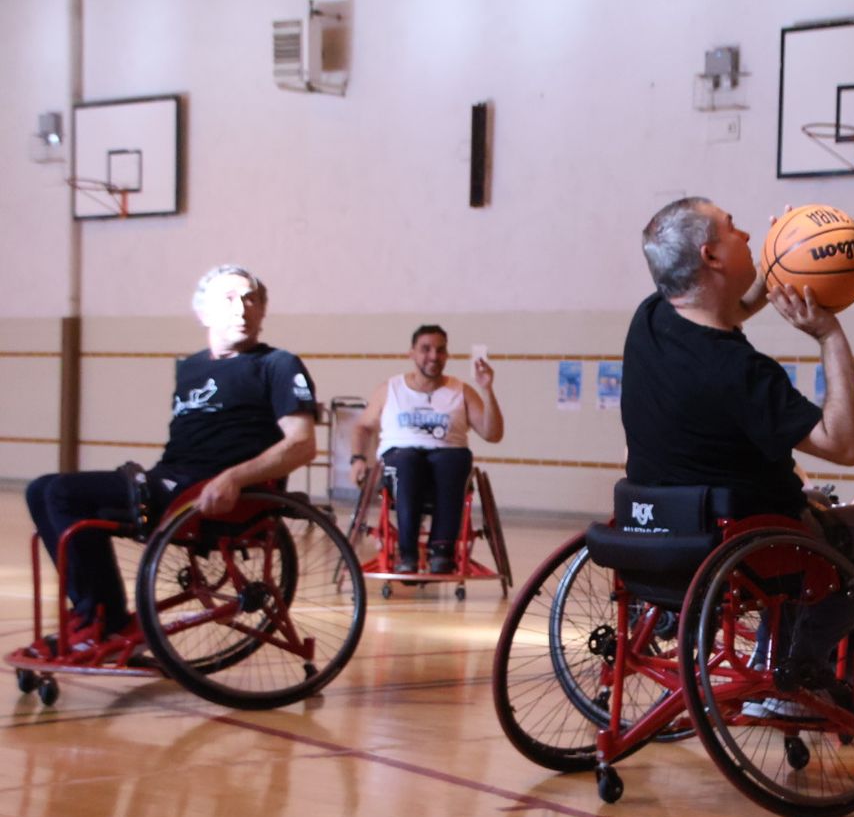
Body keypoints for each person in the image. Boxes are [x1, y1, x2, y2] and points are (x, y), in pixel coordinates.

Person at [623, 196, 854, 712]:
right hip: (749, 543)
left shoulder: (650, 319)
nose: (748, 237)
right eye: (734, 228)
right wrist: (829, 334)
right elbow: (846, 445)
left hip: (655, 531)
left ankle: (776, 651)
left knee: (812, 504)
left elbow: (724, 310)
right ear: (711, 255)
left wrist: (779, 265)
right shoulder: (741, 372)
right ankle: (797, 666)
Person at [25, 265, 318, 649]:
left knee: (63, 493)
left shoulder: (278, 364)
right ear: (204, 313)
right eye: (229, 299)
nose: (241, 309)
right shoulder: (191, 367)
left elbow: (302, 444)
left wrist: (234, 477)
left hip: (217, 491)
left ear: (263, 310)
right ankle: (93, 614)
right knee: (40, 489)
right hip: (171, 480)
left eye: (250, 299)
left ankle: (105, 620)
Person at [347, 325, 503, 574]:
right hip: (401, 459)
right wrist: (357, 459)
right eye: (426, 349)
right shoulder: (391, 389)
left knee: (452, 460)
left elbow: (492, 434)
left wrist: (487, 388)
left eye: (440, 350)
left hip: (449, 459)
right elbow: (362, 427)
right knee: (408, 461)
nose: (433, 356)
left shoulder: (461, 391)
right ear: (411, 353)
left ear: (447, 355)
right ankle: (407, 552)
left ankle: (442, 550)